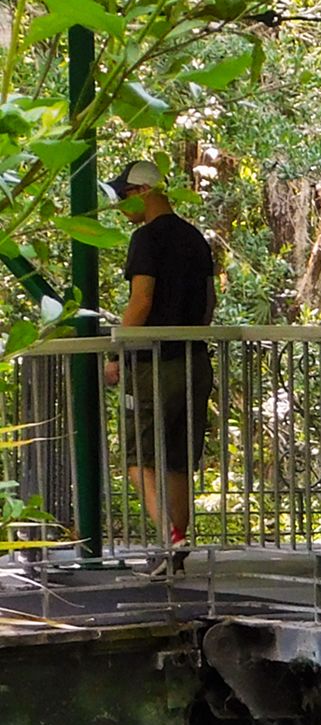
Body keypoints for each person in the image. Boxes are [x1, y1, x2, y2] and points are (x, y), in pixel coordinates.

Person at [105, 160, 216, 567]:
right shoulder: (194, 238)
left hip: (154, 364)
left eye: (122, 198)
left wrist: (120, 353)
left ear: (141, 193)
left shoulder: (146, 240)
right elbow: (209, 302)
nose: (120, 207)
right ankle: (178, 547)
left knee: (139, 461)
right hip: (194, 360)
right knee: (178, 461)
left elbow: (142, 300)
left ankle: (170, 540)